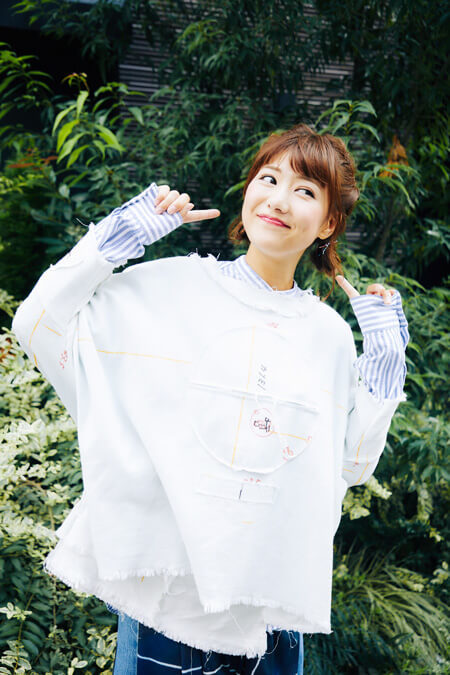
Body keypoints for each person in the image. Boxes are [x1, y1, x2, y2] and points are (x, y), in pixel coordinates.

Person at [12, 124, 408, 674]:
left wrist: (384, 363)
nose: (279, 199)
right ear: (248, 191)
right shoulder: (170, 288)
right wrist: (116, 239)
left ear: (328, 222)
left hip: (269, 613)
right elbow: (38, 325)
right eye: (269, 179)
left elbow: (353, 464)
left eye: (305, 190)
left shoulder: (329, 336)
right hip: (167, 605)